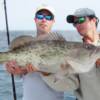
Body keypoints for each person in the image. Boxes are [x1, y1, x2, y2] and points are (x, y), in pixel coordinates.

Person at [6, 5, 65, 100]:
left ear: (53, 21)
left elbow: (65, 79)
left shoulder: (62, 46)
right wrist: (13, 70)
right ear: (35, 20)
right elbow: (18, 75)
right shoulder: (26, 43)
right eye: (40, 16)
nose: (44, 20)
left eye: (48, 17)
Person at [66, 8, 100, 100]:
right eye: (75, 23)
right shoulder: (74, 52)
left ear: (93, 20)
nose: (77, 24)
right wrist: (46, 73)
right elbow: (71, 84)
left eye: (81, 20)